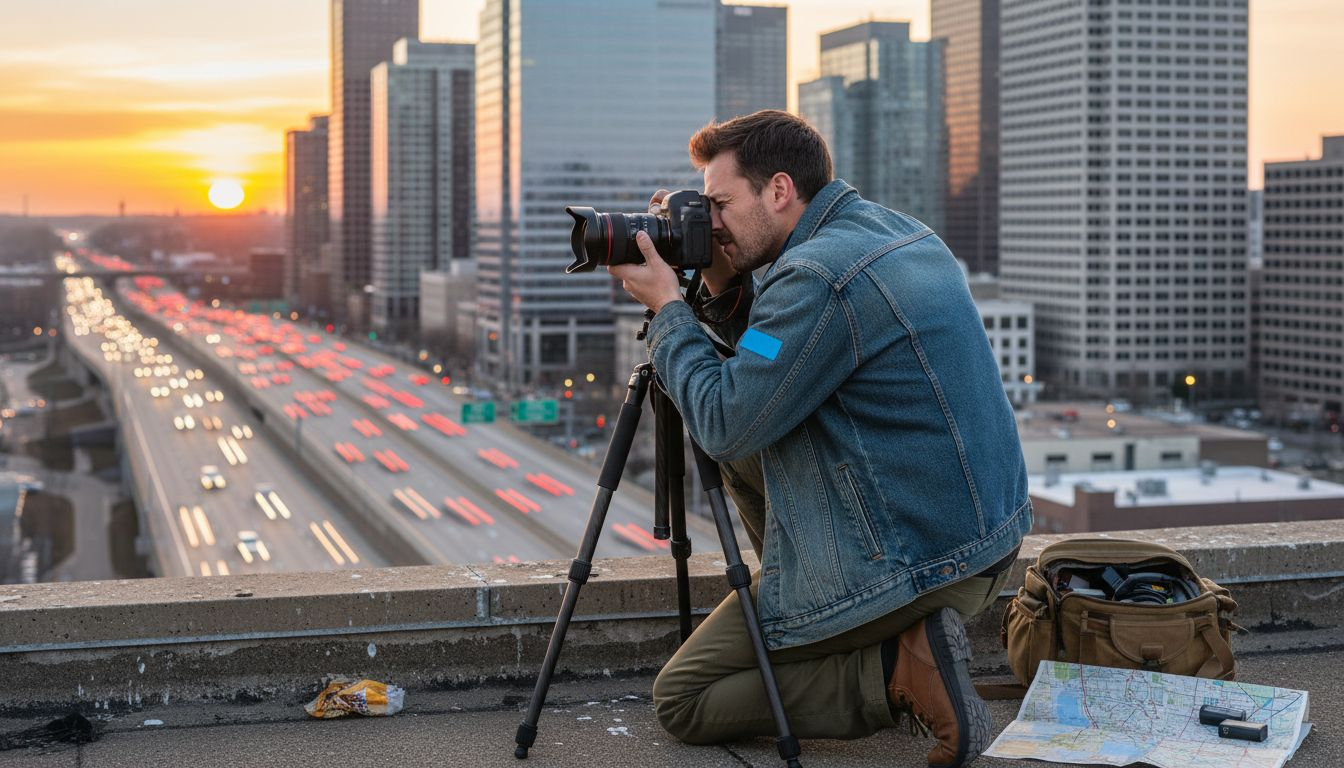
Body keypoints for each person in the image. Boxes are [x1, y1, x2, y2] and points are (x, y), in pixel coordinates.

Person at [608, 109, 1031, 768]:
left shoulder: (819, 276)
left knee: (684, 698)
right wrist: (713, 263)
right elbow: (770, 354)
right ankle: (830, 616)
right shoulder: (888, 231)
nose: (710, 221)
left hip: (919, 562)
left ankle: (896, 670)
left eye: (720, 204)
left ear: (779, 191)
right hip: (981, 537)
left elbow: (722, 418)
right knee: (752, 443)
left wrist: (668, 311)